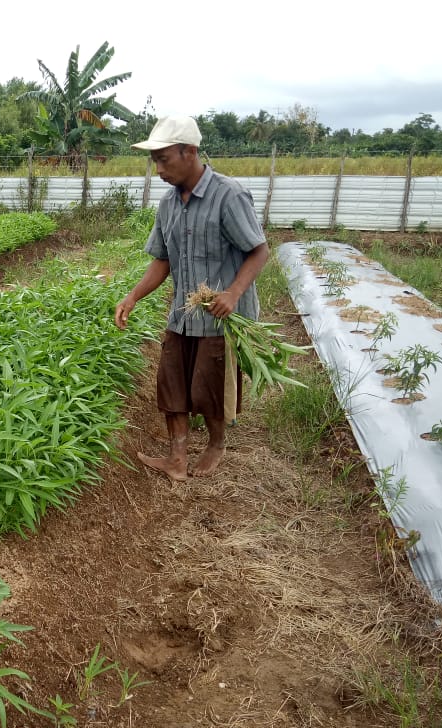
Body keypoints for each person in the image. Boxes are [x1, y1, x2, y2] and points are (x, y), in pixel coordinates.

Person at [114, 116, 269, 481]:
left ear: (190, 152)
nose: (158, 168)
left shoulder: (228, 196)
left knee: (210, 384)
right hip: (183, 312)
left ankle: (216, 445)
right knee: (171, 381)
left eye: (164, 159)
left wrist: (233, 292)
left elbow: (259, 251)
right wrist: (132, 296)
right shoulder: (168, 204)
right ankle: (177, 457)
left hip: (219, 315)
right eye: (155, 160)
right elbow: (162, 260)